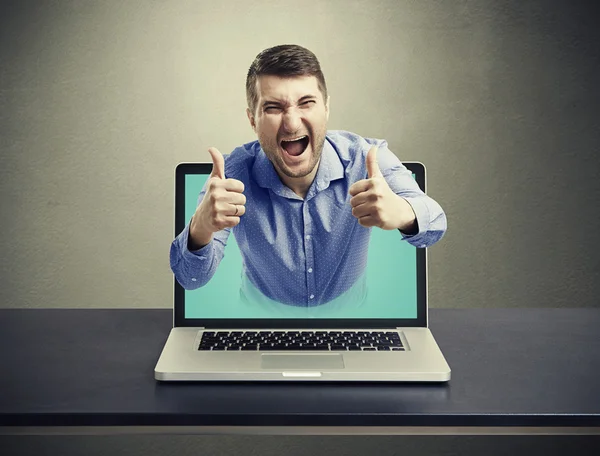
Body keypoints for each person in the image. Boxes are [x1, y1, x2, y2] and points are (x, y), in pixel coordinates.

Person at [170, 44, 447, 307]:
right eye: (273, 108)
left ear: (325, 108)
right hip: (259, 322)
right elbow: (191, 279)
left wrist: (404, 213)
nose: (291, 123)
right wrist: (200, 229)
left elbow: (436, 222)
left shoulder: (366, 156)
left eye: (306, 103)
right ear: (252, 120)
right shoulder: (230, 175)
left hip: (351, 320)